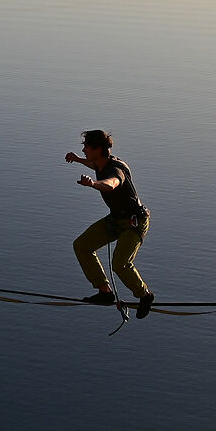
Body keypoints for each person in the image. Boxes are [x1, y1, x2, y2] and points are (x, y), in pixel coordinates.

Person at [65, 128, 151, 315]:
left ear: (97, 149)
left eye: (86, 147)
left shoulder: (115, 169)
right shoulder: (100, 162)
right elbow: (93, 165)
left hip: (134, 222)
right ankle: (105, 292)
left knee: (120, 264)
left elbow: (111, 184)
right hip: (116, 219)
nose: (83, 150)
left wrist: (93, 184)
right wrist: (77, 159)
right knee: (81, 245)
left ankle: (144, 295)